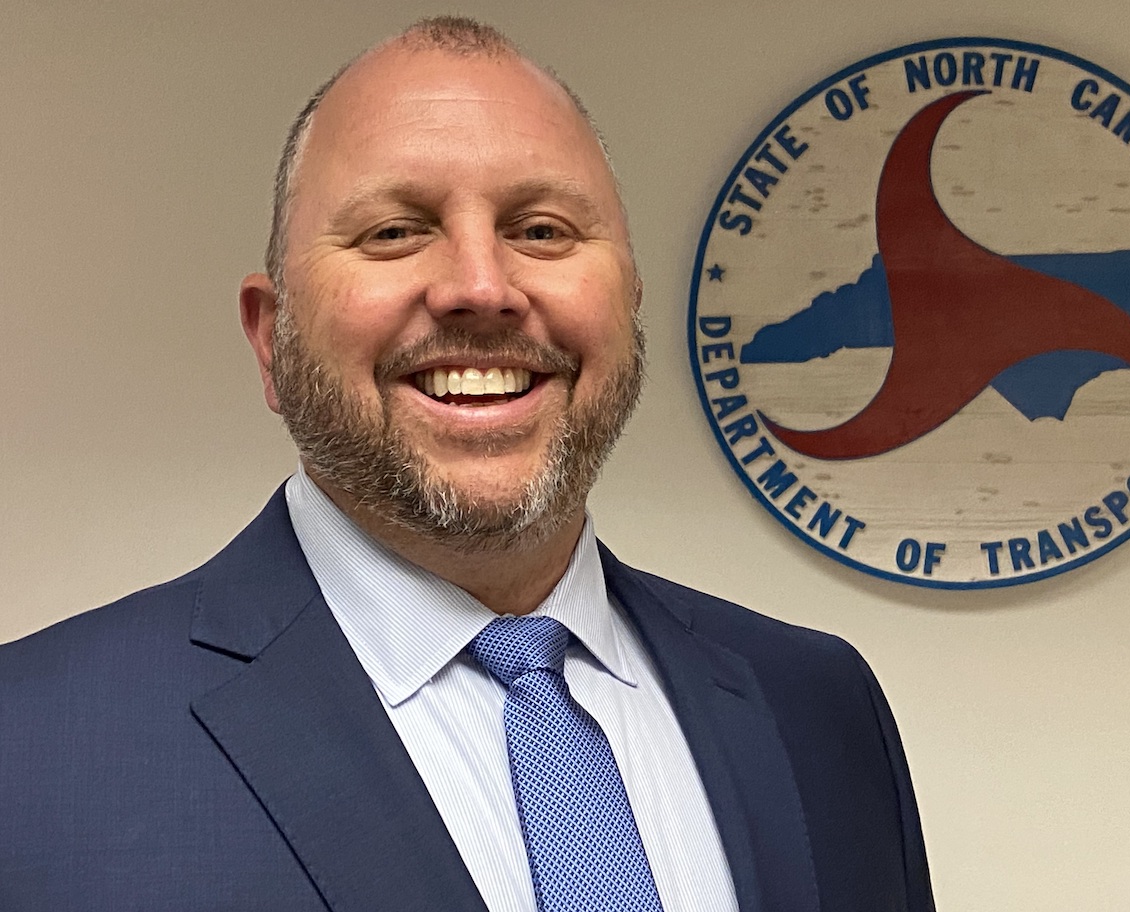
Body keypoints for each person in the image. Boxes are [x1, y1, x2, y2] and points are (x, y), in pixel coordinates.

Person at [0, 16, 933, 912]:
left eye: (543, 231)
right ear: (270, 336)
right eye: (394, 232)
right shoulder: (31, 749)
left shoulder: (821, 709)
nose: (482, 288)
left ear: (628, 302)